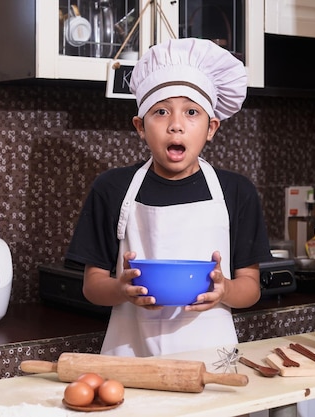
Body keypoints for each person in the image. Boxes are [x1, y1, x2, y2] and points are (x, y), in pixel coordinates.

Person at [65, 38, 272, 357]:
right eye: (161, 112)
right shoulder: (112, 188)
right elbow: (92, 286)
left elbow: (250, 286)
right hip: (129, 358)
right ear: (140, 126)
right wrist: (122, 288)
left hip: (210, 358)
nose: (176, 126)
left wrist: (224, 289)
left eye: (192, 112)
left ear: (211, 127)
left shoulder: (236, 191)